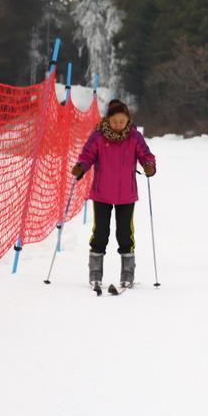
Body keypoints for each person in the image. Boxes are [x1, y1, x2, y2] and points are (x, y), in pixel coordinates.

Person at [71, 99, 156, 291]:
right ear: (108, 119)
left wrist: (149, 166)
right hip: (102, 193)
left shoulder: (134, 137)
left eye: (121, 121)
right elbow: (87, 155)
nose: (118, 125)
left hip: (126, 194)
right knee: (100, 233)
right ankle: (95, 272)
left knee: (125, 234)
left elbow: (146, 155)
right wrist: (81, 167)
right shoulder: (98, 137)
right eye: (114, 121)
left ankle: (127, 273)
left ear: (128, 120)